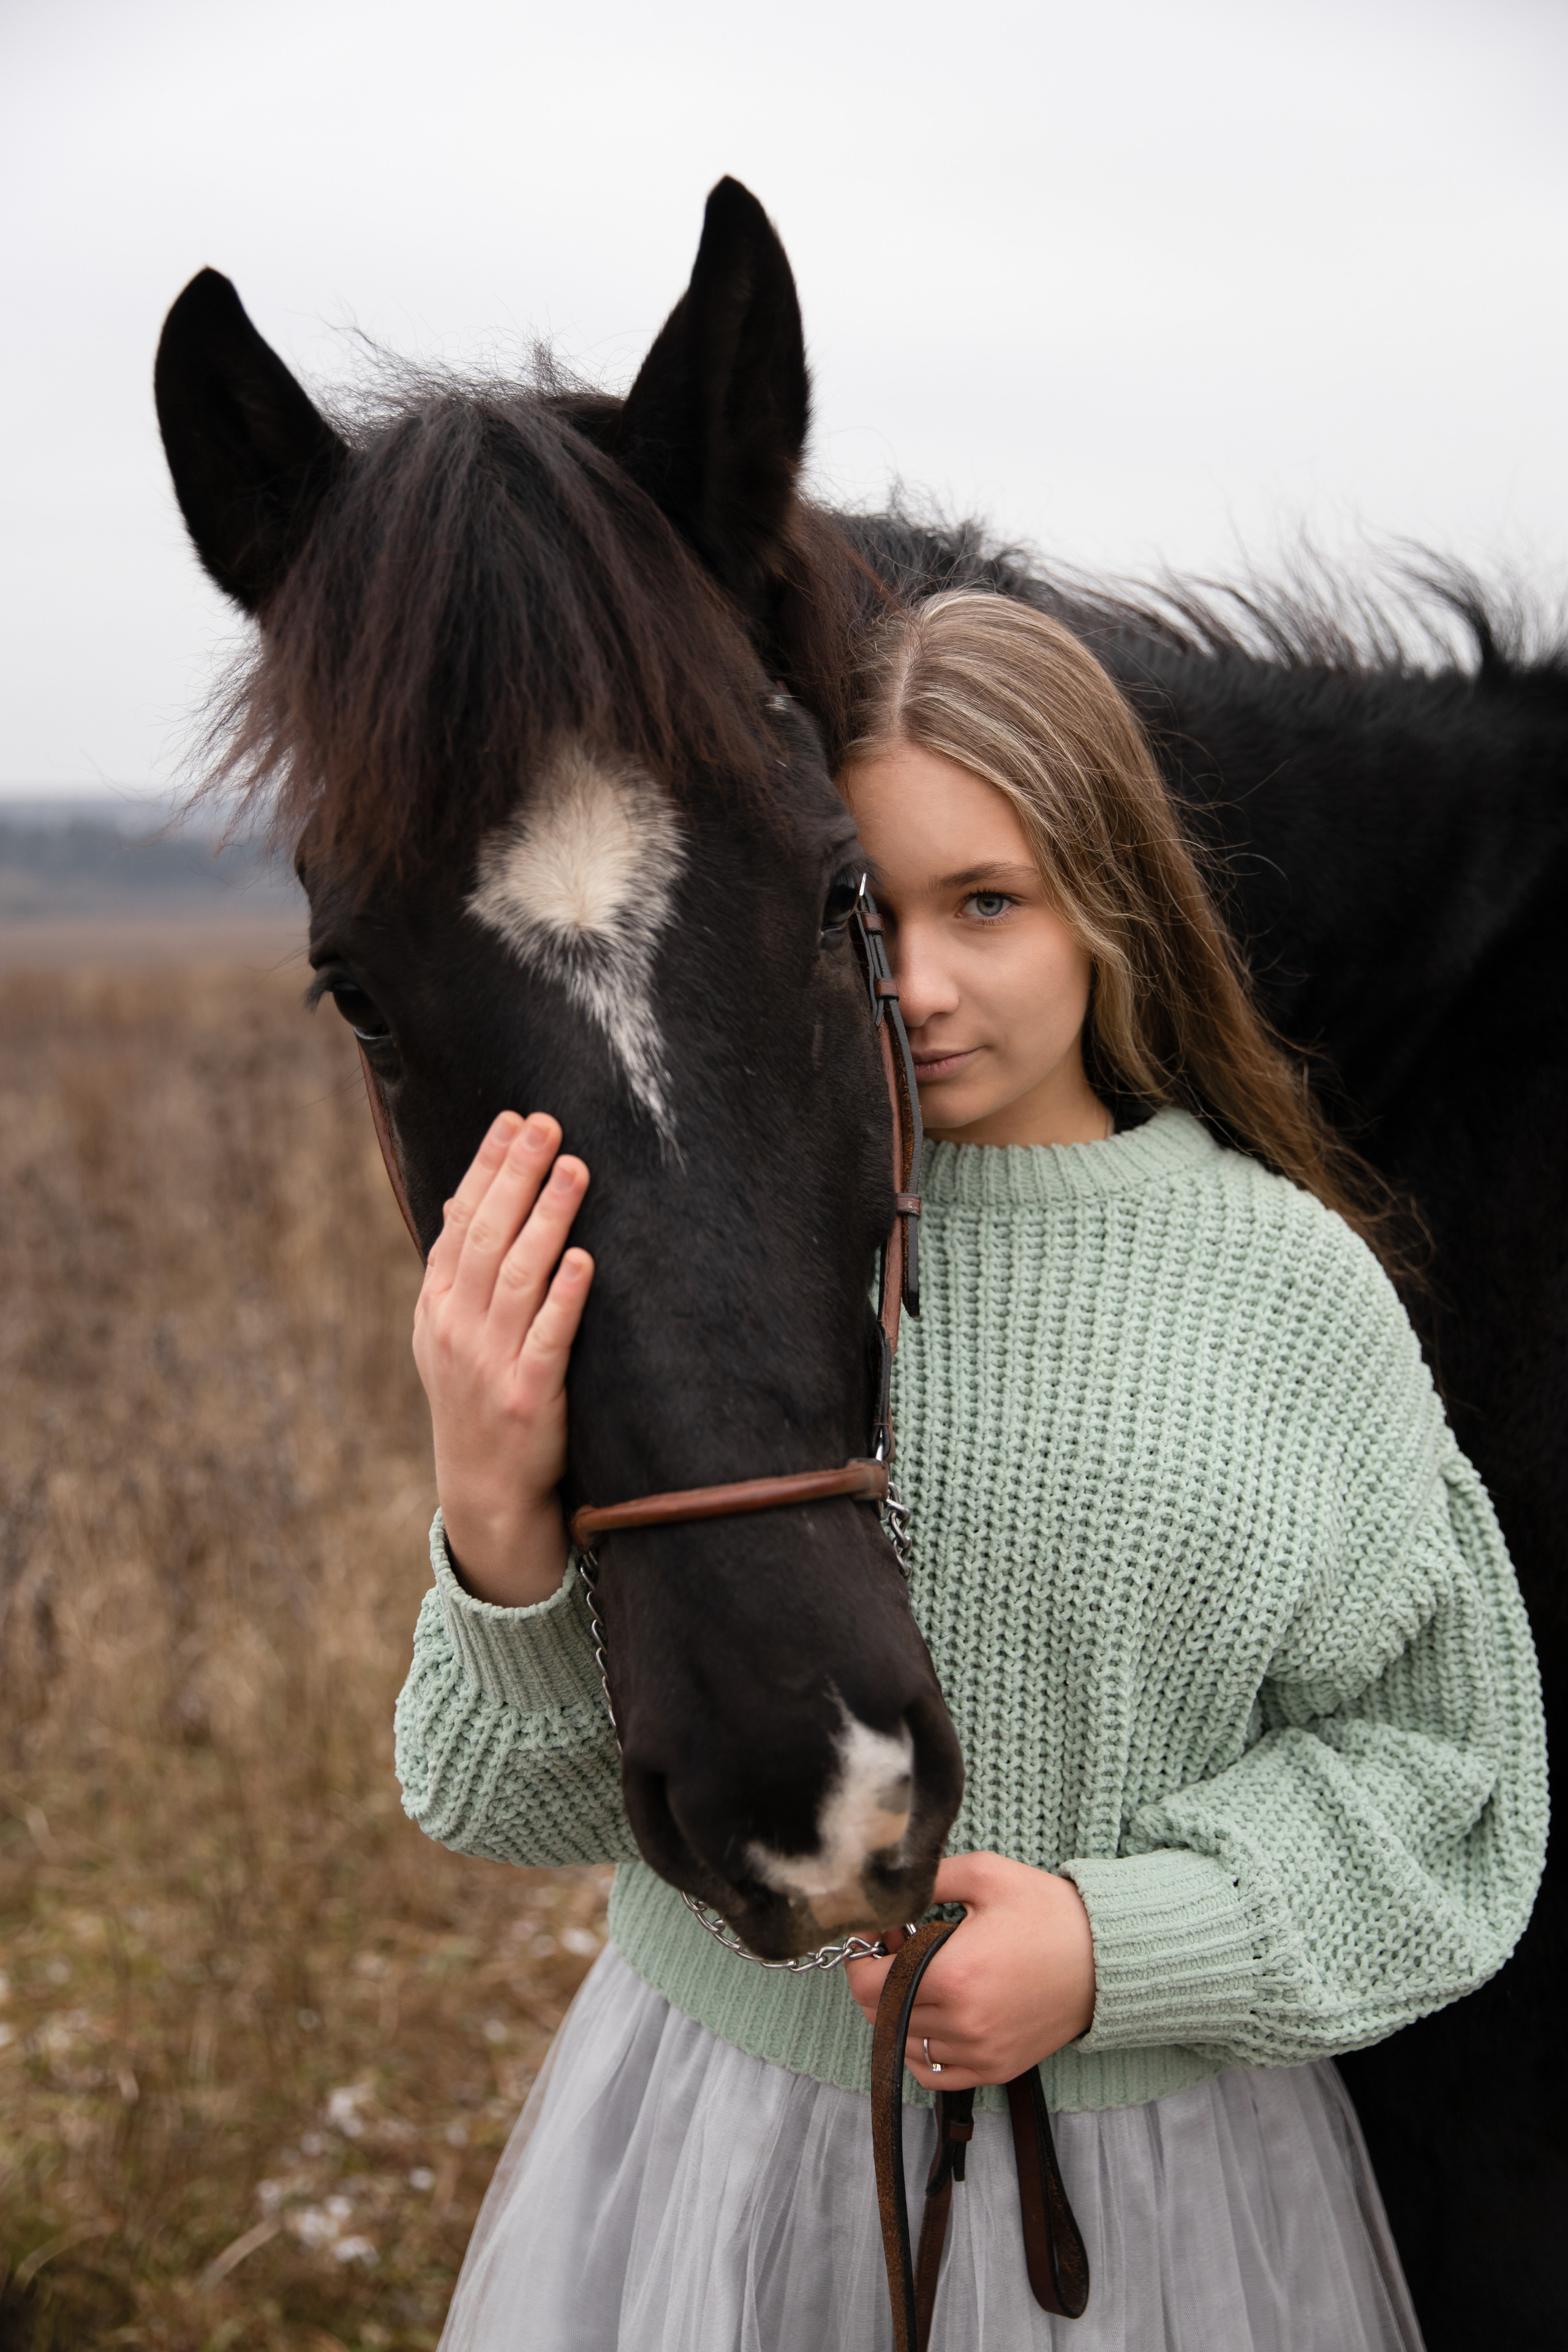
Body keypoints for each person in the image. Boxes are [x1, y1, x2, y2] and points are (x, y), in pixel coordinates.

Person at [394, 590, 1547, 2351]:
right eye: (867, 910)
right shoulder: (730, 1264)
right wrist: (492, 1519)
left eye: (988, 903)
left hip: (1167, 2203)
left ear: (1114, 903)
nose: (916, 985)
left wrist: (1110, 1947)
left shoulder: (1289, 1286)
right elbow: (508, 1799)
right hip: (714, 2165)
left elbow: (1443, 1785)